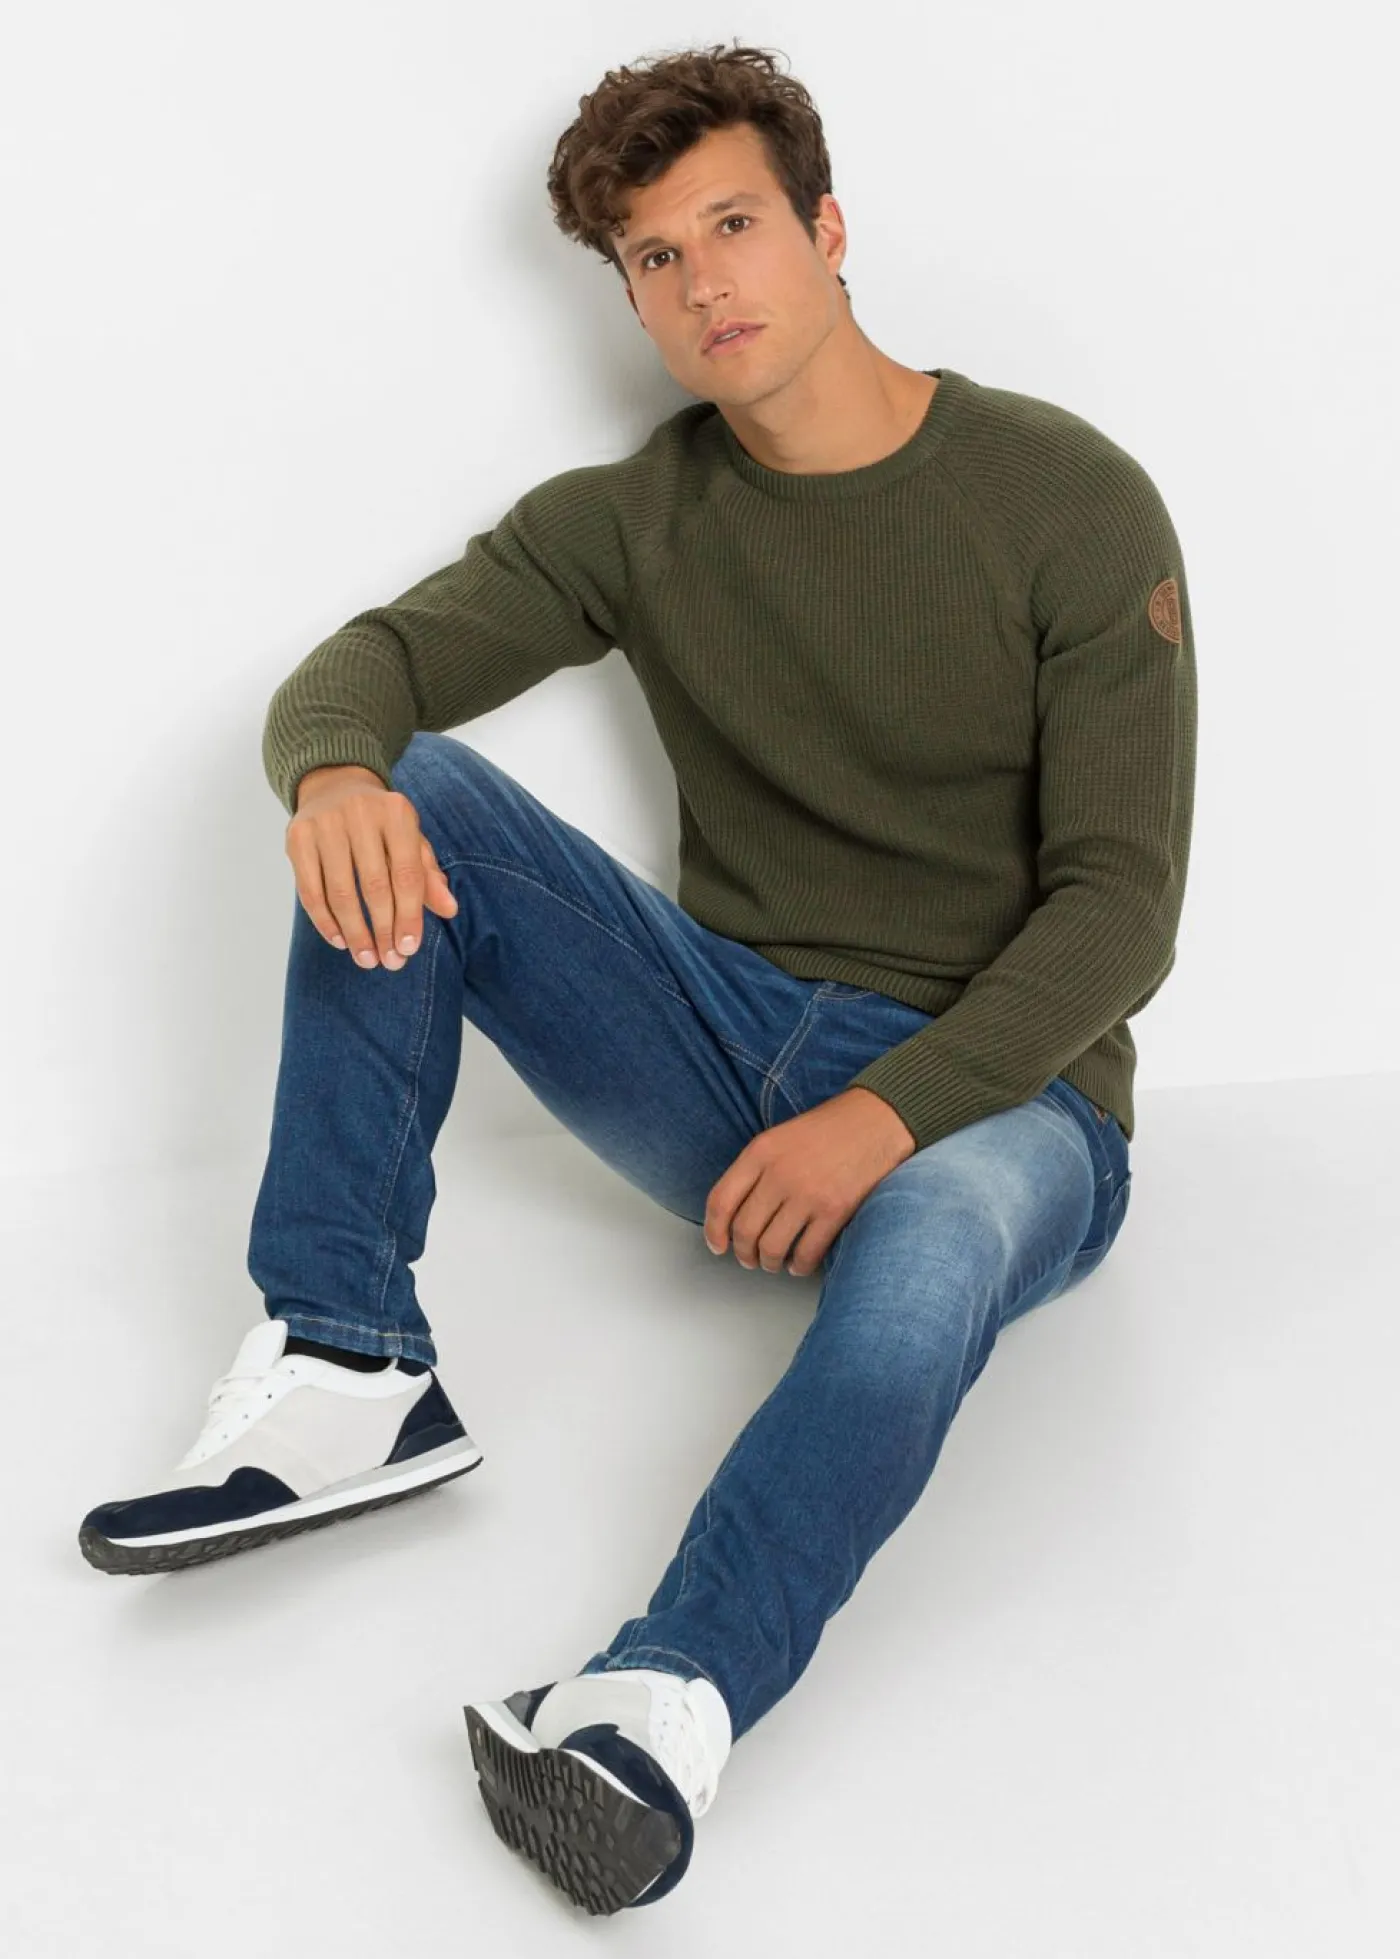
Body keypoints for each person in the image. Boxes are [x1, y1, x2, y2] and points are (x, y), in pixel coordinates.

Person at [79, 39, 1196, 1916]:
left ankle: (661, 1704)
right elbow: (362, 668)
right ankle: (350, 1359)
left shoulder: (1070, 500)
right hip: (733, 1048)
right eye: (655, 258)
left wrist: (884, 1119)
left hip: (1015, 1099)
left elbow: (1121, 910)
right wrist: (336, 772)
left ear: (829, 229)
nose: (701, 285)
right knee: (411, 794)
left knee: (932, 1243)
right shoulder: (636, 516)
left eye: (733, 226)